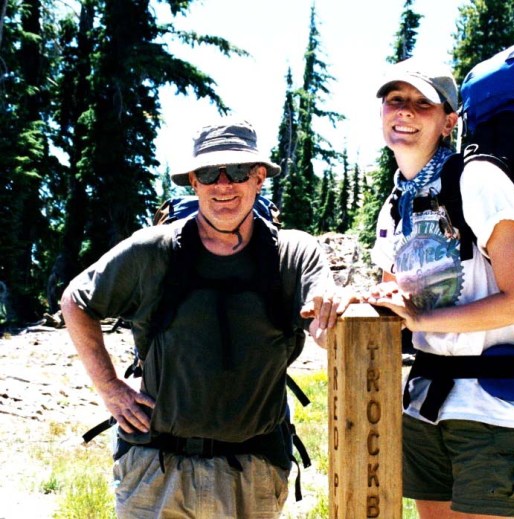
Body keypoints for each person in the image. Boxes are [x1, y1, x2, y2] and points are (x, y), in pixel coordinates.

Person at [61, 117, 351, 518]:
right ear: (193, 182)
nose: (223, 183)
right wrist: (110, 388)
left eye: (237, 170)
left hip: (253, 469)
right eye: (210, 172)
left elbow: (323, 317)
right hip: (156, 468)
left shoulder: (292, 253)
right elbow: (76, 301)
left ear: (259, 177)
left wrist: (331, 310)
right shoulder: (153, 251)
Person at [367, 58, 514, 519]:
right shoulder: (395, 206)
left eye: (422, 104)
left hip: (497, 406)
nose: (405, 112)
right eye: (396, 101)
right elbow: (395, 300)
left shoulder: (478, 181)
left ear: (449, 121)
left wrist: (423, 320)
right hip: (427, 406)